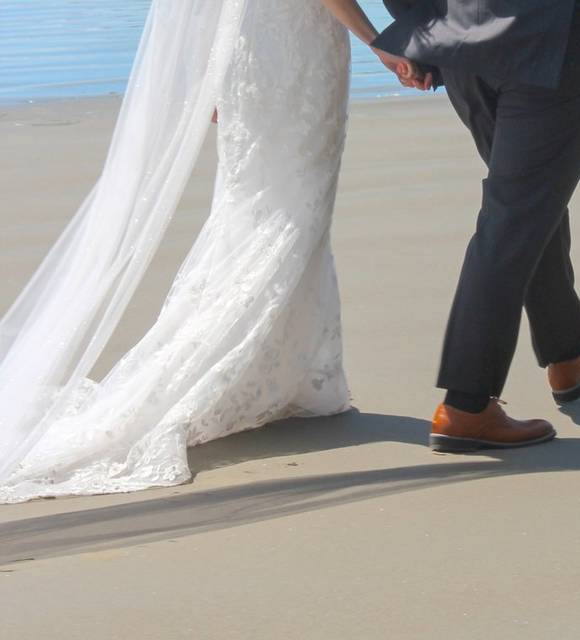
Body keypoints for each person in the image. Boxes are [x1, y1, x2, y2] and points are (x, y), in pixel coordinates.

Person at [0, 0, 427, 503]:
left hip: (249, 49)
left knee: (257, 211)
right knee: (291, 216)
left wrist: (206, 68)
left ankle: (274, 374)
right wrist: (376, 41)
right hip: (296, 51)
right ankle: (236, 372)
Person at [372, 0, 580, 452]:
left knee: (525, 204)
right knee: (513, 217)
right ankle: (466, 406)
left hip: (469, 40)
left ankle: (568, 352)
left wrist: (426, 29)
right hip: (566, 40)